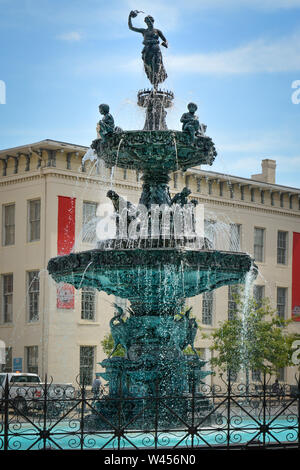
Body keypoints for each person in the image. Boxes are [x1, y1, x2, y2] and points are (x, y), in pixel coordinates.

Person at [128, 10, 168, 88]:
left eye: (150, 21)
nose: (148, 23)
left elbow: (165, 40)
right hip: (147, 51)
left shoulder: (157, 31)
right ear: (145, 23)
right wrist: (129, 17)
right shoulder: (144, 31)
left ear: (153, 21)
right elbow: (131, 27)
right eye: (147, 22)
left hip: (156, 50)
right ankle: (154, 83)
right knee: (149, 67)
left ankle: (155, 86)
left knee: (156, 66)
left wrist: (165, 43)